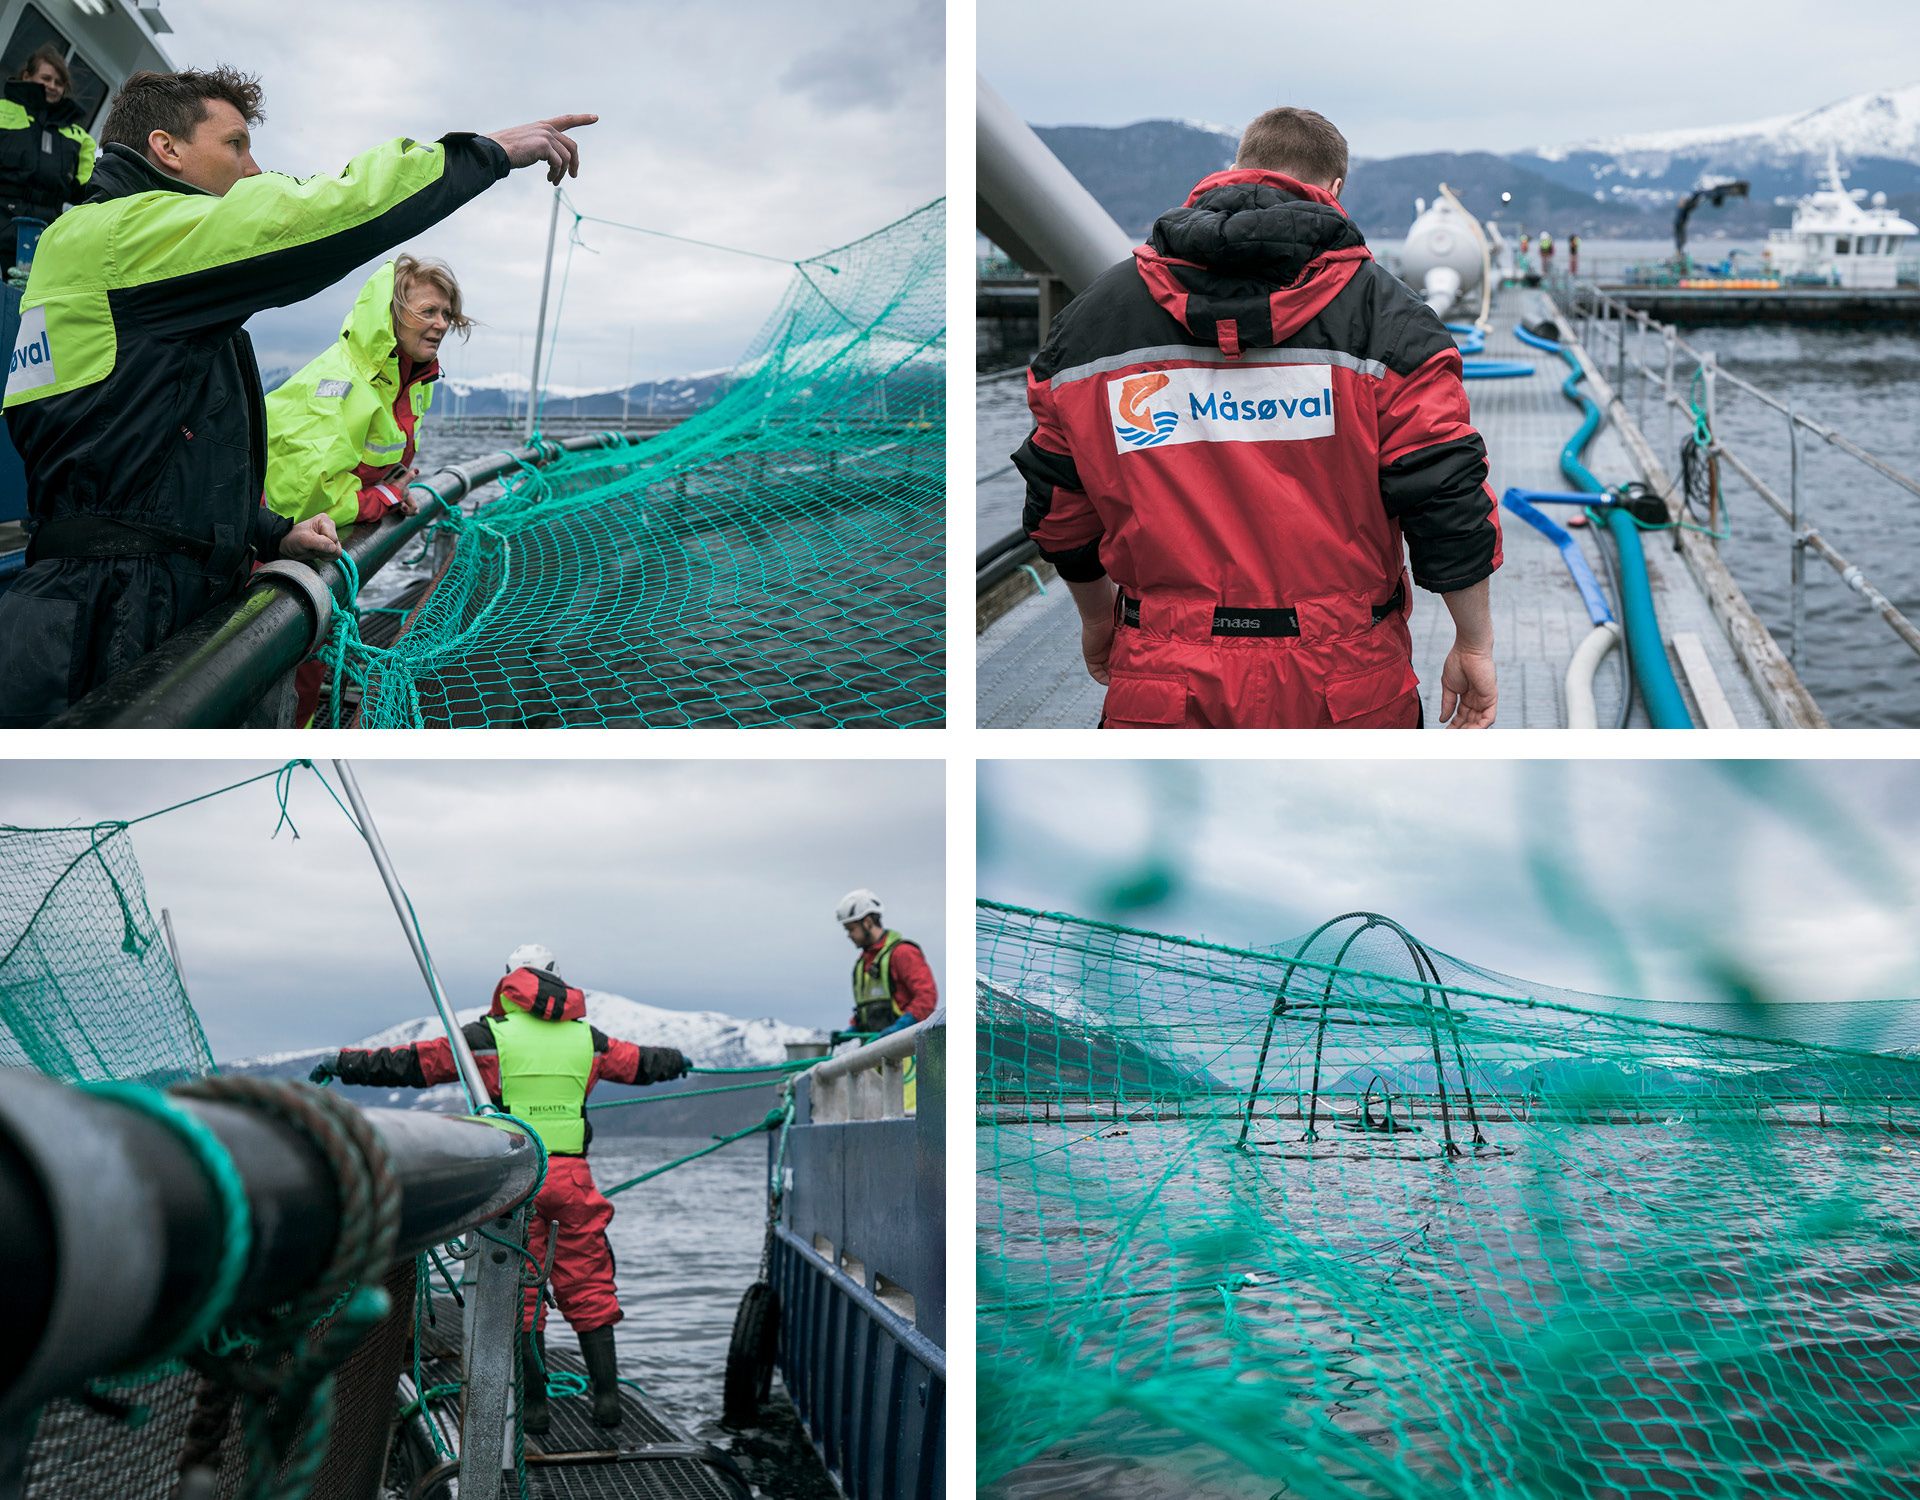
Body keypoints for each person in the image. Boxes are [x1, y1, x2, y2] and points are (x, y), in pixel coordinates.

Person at [0, 64, 595, 726]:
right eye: (234, 145)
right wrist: (480, 155)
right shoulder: (120, 238)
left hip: (129, 593)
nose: (253, 170)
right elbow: (313, 216)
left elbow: (142, 466)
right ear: (166, 148)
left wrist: (272, 533)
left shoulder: (126, 265)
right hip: (109, 615)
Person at [1013, 105, 1501, 729]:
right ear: (1334, 191)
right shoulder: (1391, 322)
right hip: (1348, 680)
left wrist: (1095, 617)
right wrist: (1474, 642)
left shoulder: (1091, 323)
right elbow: (1445, 491)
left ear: (1236, 169)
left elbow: (1057, 504)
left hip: (1162, 676)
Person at [311, 944, 690, 1432]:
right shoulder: (587, 1039)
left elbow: (413, 1064)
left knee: (522, 1290)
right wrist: (677, 1061)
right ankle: (608, 1401)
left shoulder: (486, 1037)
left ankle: (534, 1407)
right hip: (573, 1178)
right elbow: (640, 1063)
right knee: (590, 1283)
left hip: (517, 1174)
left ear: (510, 980)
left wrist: (343, 1063)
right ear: (556, 979)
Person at [264, 254, 469, 723]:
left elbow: (380, 457)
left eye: (446, 314)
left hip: (325, 553)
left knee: (313, 661)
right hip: (274, 549)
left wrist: (393, 484)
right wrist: (386, 500)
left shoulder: (412, 377)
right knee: (281, 672)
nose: (441, 324)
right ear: (390, 314)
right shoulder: (340, 383)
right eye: (427, 311)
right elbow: (306, 501)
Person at [0, 44, 95, 267]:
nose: (52, 86)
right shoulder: (2, 111)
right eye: (46, 78)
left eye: (59, 83)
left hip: (44, 242)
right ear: (26, 76)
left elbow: (88, 194)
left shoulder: (81, 139)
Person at [838, 889, 937, 1036]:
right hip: (873, 1052)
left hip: (905, 1052)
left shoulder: (903, 953)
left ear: (867, 922)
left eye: (851, 929)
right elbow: (867, 1010)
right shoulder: (863, 963)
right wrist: (851, 1030)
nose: (849, 935)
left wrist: (902, 1026)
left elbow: (927, 997)